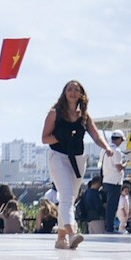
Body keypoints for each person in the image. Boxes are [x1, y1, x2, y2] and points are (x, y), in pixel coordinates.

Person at [42, 82, 106, 250]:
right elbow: (44, 138)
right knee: (66, 195)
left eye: (76, 90)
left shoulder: (84, 115)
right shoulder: (55, 113)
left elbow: (95, 135)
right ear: (64, 93)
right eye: (69, 89)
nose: (72, 92)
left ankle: (61, 238)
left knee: (70, 198)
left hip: (78, 159)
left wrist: (107, 148)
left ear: (81, 94)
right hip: (58, 157)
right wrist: (61, 136)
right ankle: (72, 233)